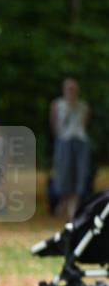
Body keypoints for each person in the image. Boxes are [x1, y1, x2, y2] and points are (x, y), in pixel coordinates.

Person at [49, 77, 91, 219]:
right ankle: (64, 200)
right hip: (64, 142)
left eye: (73, 88)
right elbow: (54, 125)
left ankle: (74, 204)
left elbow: (84, 125)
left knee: (80, 172)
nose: (71, 91)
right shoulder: (57, 105)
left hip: (79, 141)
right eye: (69, 88)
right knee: (63, 172)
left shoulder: (83, 106)